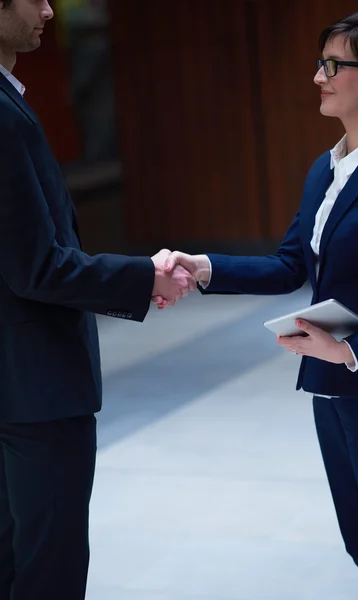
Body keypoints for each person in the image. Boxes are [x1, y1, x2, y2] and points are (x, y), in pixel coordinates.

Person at [156, 7, 358, 599]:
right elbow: (291, 265)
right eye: (319, 63)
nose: (317, 76)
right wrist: (203, 267)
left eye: (331, 65)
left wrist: (353, 349)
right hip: (331, 385)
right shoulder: (326, 168)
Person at [0, 1, 195, 599]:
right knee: (46, 570)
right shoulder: (4, 117)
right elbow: (37, 266)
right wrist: (146, 278)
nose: (49, 10)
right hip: (33, 388)